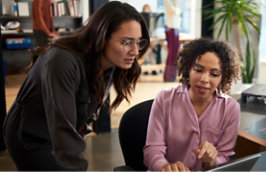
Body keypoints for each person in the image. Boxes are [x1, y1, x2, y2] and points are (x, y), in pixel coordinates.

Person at [3, 1, 149, 170]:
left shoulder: (109, 63)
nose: (135, 51)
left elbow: (82, 119)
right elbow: (63, 129)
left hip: (58, 130)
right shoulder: (61, 60)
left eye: (139, 42)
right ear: (101, 36)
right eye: (126, 42)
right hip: (31, 135)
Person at [143, 39, 241, 171]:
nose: (204, 79)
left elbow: (225, 157)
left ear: (222, 77)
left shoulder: (230, 108)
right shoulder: (164, 99)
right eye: (198, 70)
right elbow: (152, 150)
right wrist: (164, 166)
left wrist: (212, 160)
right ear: (189, 68)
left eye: (214, 74)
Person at [164, 0, 181, 82]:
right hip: (171, 28)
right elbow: (174, 11)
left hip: (176, 28)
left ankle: (172, 77)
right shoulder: (168, 1)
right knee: (172, 54)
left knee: (175, 54)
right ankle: (168, 77)